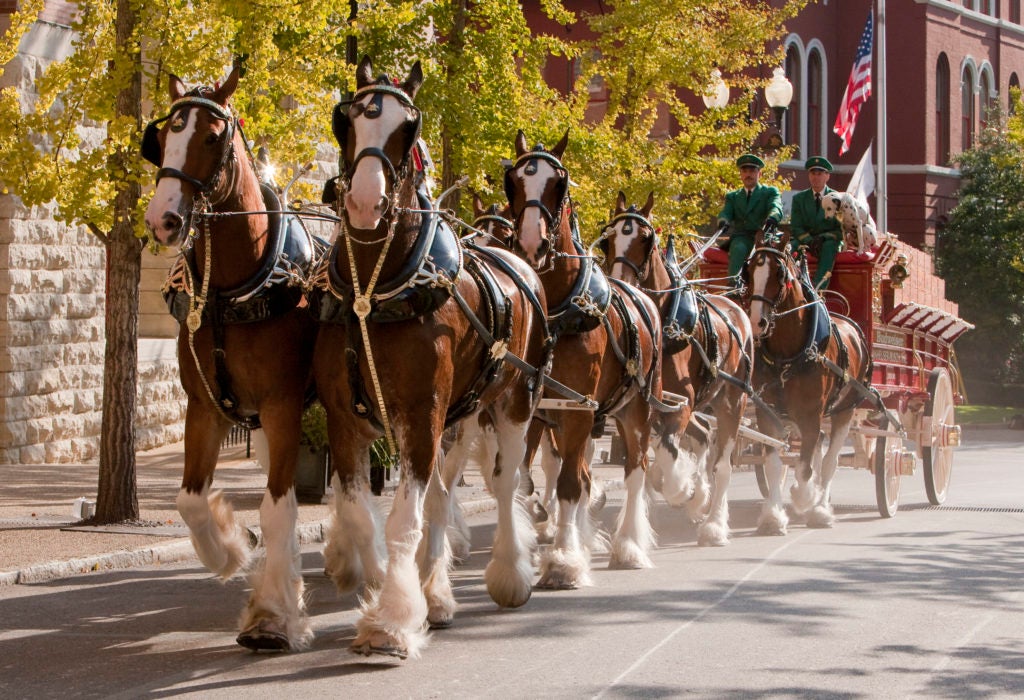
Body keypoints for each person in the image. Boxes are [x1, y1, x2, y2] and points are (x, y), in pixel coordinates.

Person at [717, 153, 784, 279]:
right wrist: (723, 221)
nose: (748, 174)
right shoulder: (733, 196)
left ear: (760, 174)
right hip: (743, 237)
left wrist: (773, 217)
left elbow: (776, 206)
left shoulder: (769, 192)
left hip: (765, 235)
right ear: (740, 175)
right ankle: (733, 286)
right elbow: (726, 212)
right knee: (739, 248)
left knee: (771, 255)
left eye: (752, 171)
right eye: (744, 171)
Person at [790, 155, 843, 289]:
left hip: (828, 241)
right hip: (806, 240)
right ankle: (791, 285)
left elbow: (841, 229)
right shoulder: (799, 199)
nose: (815, 177)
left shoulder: (838, 198)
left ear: (827, 176)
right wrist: (809, 240)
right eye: (813, 173)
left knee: (830, 246)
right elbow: (796, 227)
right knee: (789, 248)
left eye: (819, 174)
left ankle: (818, 288)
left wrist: (823, 237)